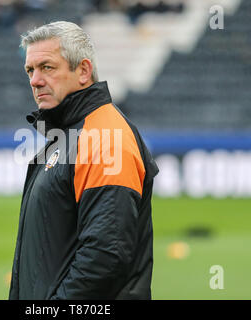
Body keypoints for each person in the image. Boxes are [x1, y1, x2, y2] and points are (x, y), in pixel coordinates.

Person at [9, 21, 159, 300]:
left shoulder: (105, 136)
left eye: (47, 67)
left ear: (83, 71)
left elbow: (106, 255)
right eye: (30, 70)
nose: (35, 80)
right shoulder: (72, 133)